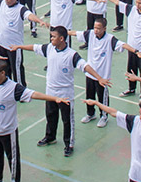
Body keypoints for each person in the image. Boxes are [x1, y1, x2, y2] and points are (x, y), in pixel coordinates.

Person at [11, 26, 109, 156]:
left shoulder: (72, 55)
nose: (51, 38)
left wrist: (99, 78)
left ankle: (69, 144)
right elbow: (34, 47)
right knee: (50, 116)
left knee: (67, 120)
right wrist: (19, 47)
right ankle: (50, 137)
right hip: (50, 92)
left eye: (53, 36)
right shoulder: (49, 48)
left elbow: (85, 66)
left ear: (61, 38)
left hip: (65, 94)